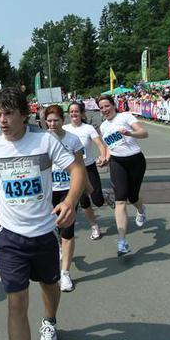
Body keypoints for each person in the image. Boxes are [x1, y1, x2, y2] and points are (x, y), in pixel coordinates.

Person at [0, 87, 85, 340]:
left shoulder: (45, 142)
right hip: (9, 235)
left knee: (50, 286)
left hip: (43, 233)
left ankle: (50, 321)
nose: (2, 120)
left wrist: (70, 202)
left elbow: (77, 170)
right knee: (16, 303)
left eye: (9, 113)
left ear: (24, 114)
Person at [96, 94, 149, 256]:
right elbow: (110, 147)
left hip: (136, 161)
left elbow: (144, 133)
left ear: (114, 105)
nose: (105, 109)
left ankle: (141, 209)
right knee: (120, 200)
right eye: (101, 107)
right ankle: (122, 242)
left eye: (107, 106)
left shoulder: (125, 116)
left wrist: (130, 133)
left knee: (133, 197)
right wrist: (105, 159)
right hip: (117, 163)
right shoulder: (103, 126)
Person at [42, 105, 87, 293]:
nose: (52, 124)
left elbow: (80, 166)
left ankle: (65, 273)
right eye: (49, 121)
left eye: (56, 120)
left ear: (63, 120)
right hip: (47, 191)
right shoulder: (41, 140)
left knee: (67, 230)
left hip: (68, 191)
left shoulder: (73, 139)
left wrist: (85, 186)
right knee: (52, 228)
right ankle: (59, 247)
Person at [63, 101, 109, 241]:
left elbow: (100, 145)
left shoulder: (88, 128)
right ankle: (94, 226)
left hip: (89, 167)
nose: (74, 114)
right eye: (71, 111)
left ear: (82, 113)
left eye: (76, 111)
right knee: (83, 201)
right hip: (74, 169)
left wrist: (103, 156)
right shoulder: (64, 128)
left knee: (98, 200)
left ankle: (104, 194)